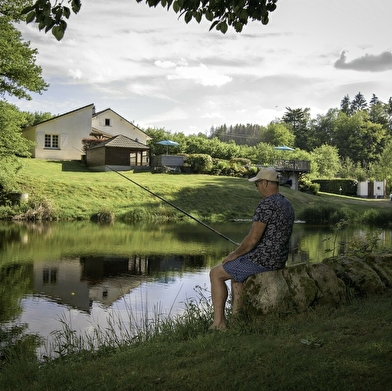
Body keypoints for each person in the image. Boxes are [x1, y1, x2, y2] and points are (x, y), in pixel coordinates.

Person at [209, 167, 295, 330]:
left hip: (263, 260)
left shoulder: (266, 204)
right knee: (236, 275)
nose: (257, 188)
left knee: (216, 273)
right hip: (278, 258)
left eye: (257, 184)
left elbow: (253, 239)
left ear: (265, 183)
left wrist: (234, 254)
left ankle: (219, 323)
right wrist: (244, 252)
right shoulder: (286, 203)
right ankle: (237, 320)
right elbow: (270, 237)